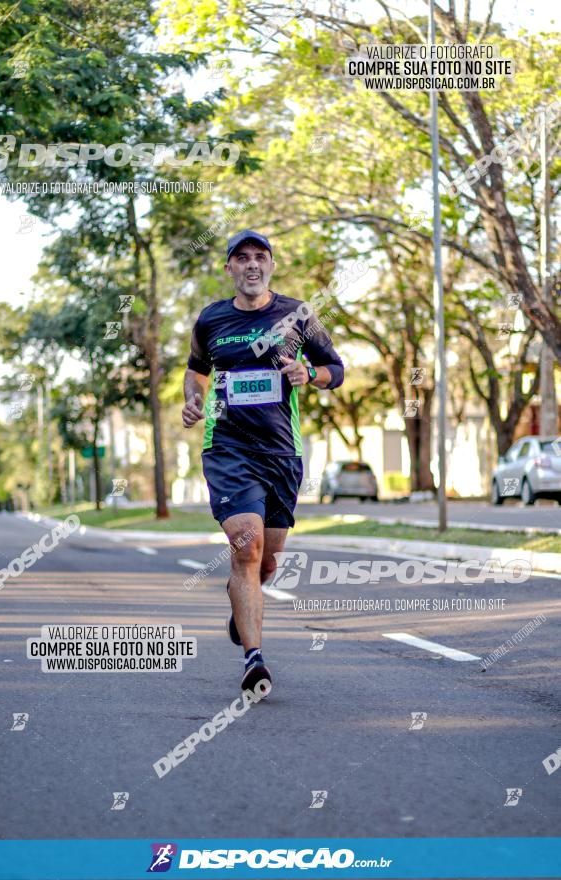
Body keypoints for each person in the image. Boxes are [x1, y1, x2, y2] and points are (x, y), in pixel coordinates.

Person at [182, 229, 344, 695]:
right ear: (229, 268)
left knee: (268, 561)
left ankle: (242, 607)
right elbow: (196, 372)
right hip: (228, 449)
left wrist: (309, 372)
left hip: (281, 452)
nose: (252, 265)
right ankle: (254, 659)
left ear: (271, 266)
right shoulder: (210, 319)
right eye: (242, 258)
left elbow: (336, 369)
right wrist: (193, 401)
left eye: (260, 257)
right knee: (246, 549)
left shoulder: (298, 315)